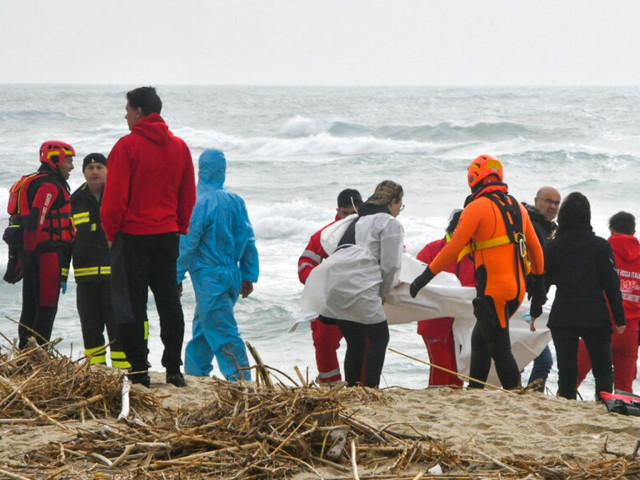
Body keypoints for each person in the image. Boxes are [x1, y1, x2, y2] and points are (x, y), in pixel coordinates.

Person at [410, 155, 545, 390]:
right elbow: (535, 249)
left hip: (494, 291)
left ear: (474, 178)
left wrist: (424, 277)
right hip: (517, 290)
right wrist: (539, 287)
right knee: (479, 340)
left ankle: (515, 394)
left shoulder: (476, 207)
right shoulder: (517, 207)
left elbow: (453, 248)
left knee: (500, 348)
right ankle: (475, 390)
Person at [101, 86, 196, 388]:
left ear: (140, 112)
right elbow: (188, 196)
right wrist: (179, 226)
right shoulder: (179, 147)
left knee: (131, 304)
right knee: (169, 301)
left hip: (132, 236)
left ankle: (139, 369)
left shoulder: (126, 146)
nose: (125, 114)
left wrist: (110, 232)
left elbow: (114, 199)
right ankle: (173, 369)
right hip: (167, 235)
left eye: (127, 109)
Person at [310, 180, 405, 388]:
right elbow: (390, 266)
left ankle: (352, 389)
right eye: (400, 205)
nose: (399, 211)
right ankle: (370, 390)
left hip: (333, 283)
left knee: (356, 340)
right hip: (358, 285)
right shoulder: (391, 223)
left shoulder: (359, 220)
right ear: (394, 202)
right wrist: (383, 293)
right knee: (380, 337)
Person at [177, 149, 259, 381]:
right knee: (204, 327)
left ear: (200, 170)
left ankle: (241, 380)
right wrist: (248, 274)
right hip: (232, 273)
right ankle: (195, 374)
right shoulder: (235, 201)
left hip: (209, 276)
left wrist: (176, 274)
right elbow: (248, 240)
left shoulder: (198, 202)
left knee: (223, 331)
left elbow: (188, 243)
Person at [540, 192, 625, 400]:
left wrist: (534, 310)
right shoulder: (600, 246)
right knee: (603, 371)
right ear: (587, 215)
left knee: (567, 373)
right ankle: (603, 406)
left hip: (564, 314)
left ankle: (566, 406)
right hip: (594, 314)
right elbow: (612, 285)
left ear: (564, 215)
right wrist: (620, 318)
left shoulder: (554, 245)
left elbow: (543, 282)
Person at [60, 153, 129, 368]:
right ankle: (97, 371)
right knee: (90, 329)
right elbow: (66, 241)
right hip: (85, 280)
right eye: (90, 168)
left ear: (108, 170)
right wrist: (62, 274)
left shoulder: (118, 195)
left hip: (115, 277)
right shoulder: (75, 200)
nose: (95, 172)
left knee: (118, 328)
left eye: (100, 167)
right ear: (84, 172)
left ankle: (123, 372)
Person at [14, 141, 76, 349]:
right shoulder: (49, 186)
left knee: (30, 307)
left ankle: (24, 354)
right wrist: (30, 256)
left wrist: (25, 257)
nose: (71, 166)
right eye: (68, 161)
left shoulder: (38, 181)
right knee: (46, 308)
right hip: (46, 255)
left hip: (33, 254)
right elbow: (36, 220)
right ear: (55, 160)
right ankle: (36, 355)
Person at [298, 188, 363, 385]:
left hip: (360, 298)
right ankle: (330, 384)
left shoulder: (369, 232)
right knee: (324, 340)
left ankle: (362, 385)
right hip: (330, 301)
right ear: (337, 211)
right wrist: (321, 281)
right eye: (345, 213)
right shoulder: (324, 235)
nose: (349, 218)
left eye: (354, 213)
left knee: (366, 343)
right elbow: (304, 266)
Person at [575, 211, 639, 393]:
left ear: (611, 230)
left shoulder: (602, 249)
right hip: (630, 329)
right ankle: (619, 416)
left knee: (574, 374)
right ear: (634, 233)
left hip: (599, 324)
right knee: (624, 387)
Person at [416, 209, 475, 387]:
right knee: (441, 369)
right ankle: (434, 406)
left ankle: (452, 410)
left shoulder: (475, 253)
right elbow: (414, 280)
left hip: (462, 324)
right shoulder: (433, 249)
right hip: (435, 322)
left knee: (458, 374)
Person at [521, 186, 562, 391]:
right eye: (548, 201)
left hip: (528, 301)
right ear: (536, 201)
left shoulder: (543, 227)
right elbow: (537, 269)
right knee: (543, 359)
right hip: (523, 301)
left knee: (526, 353)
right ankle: (526, 394)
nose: (552, 206)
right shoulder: (533, 226)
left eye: (556, 203)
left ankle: (523, 394)